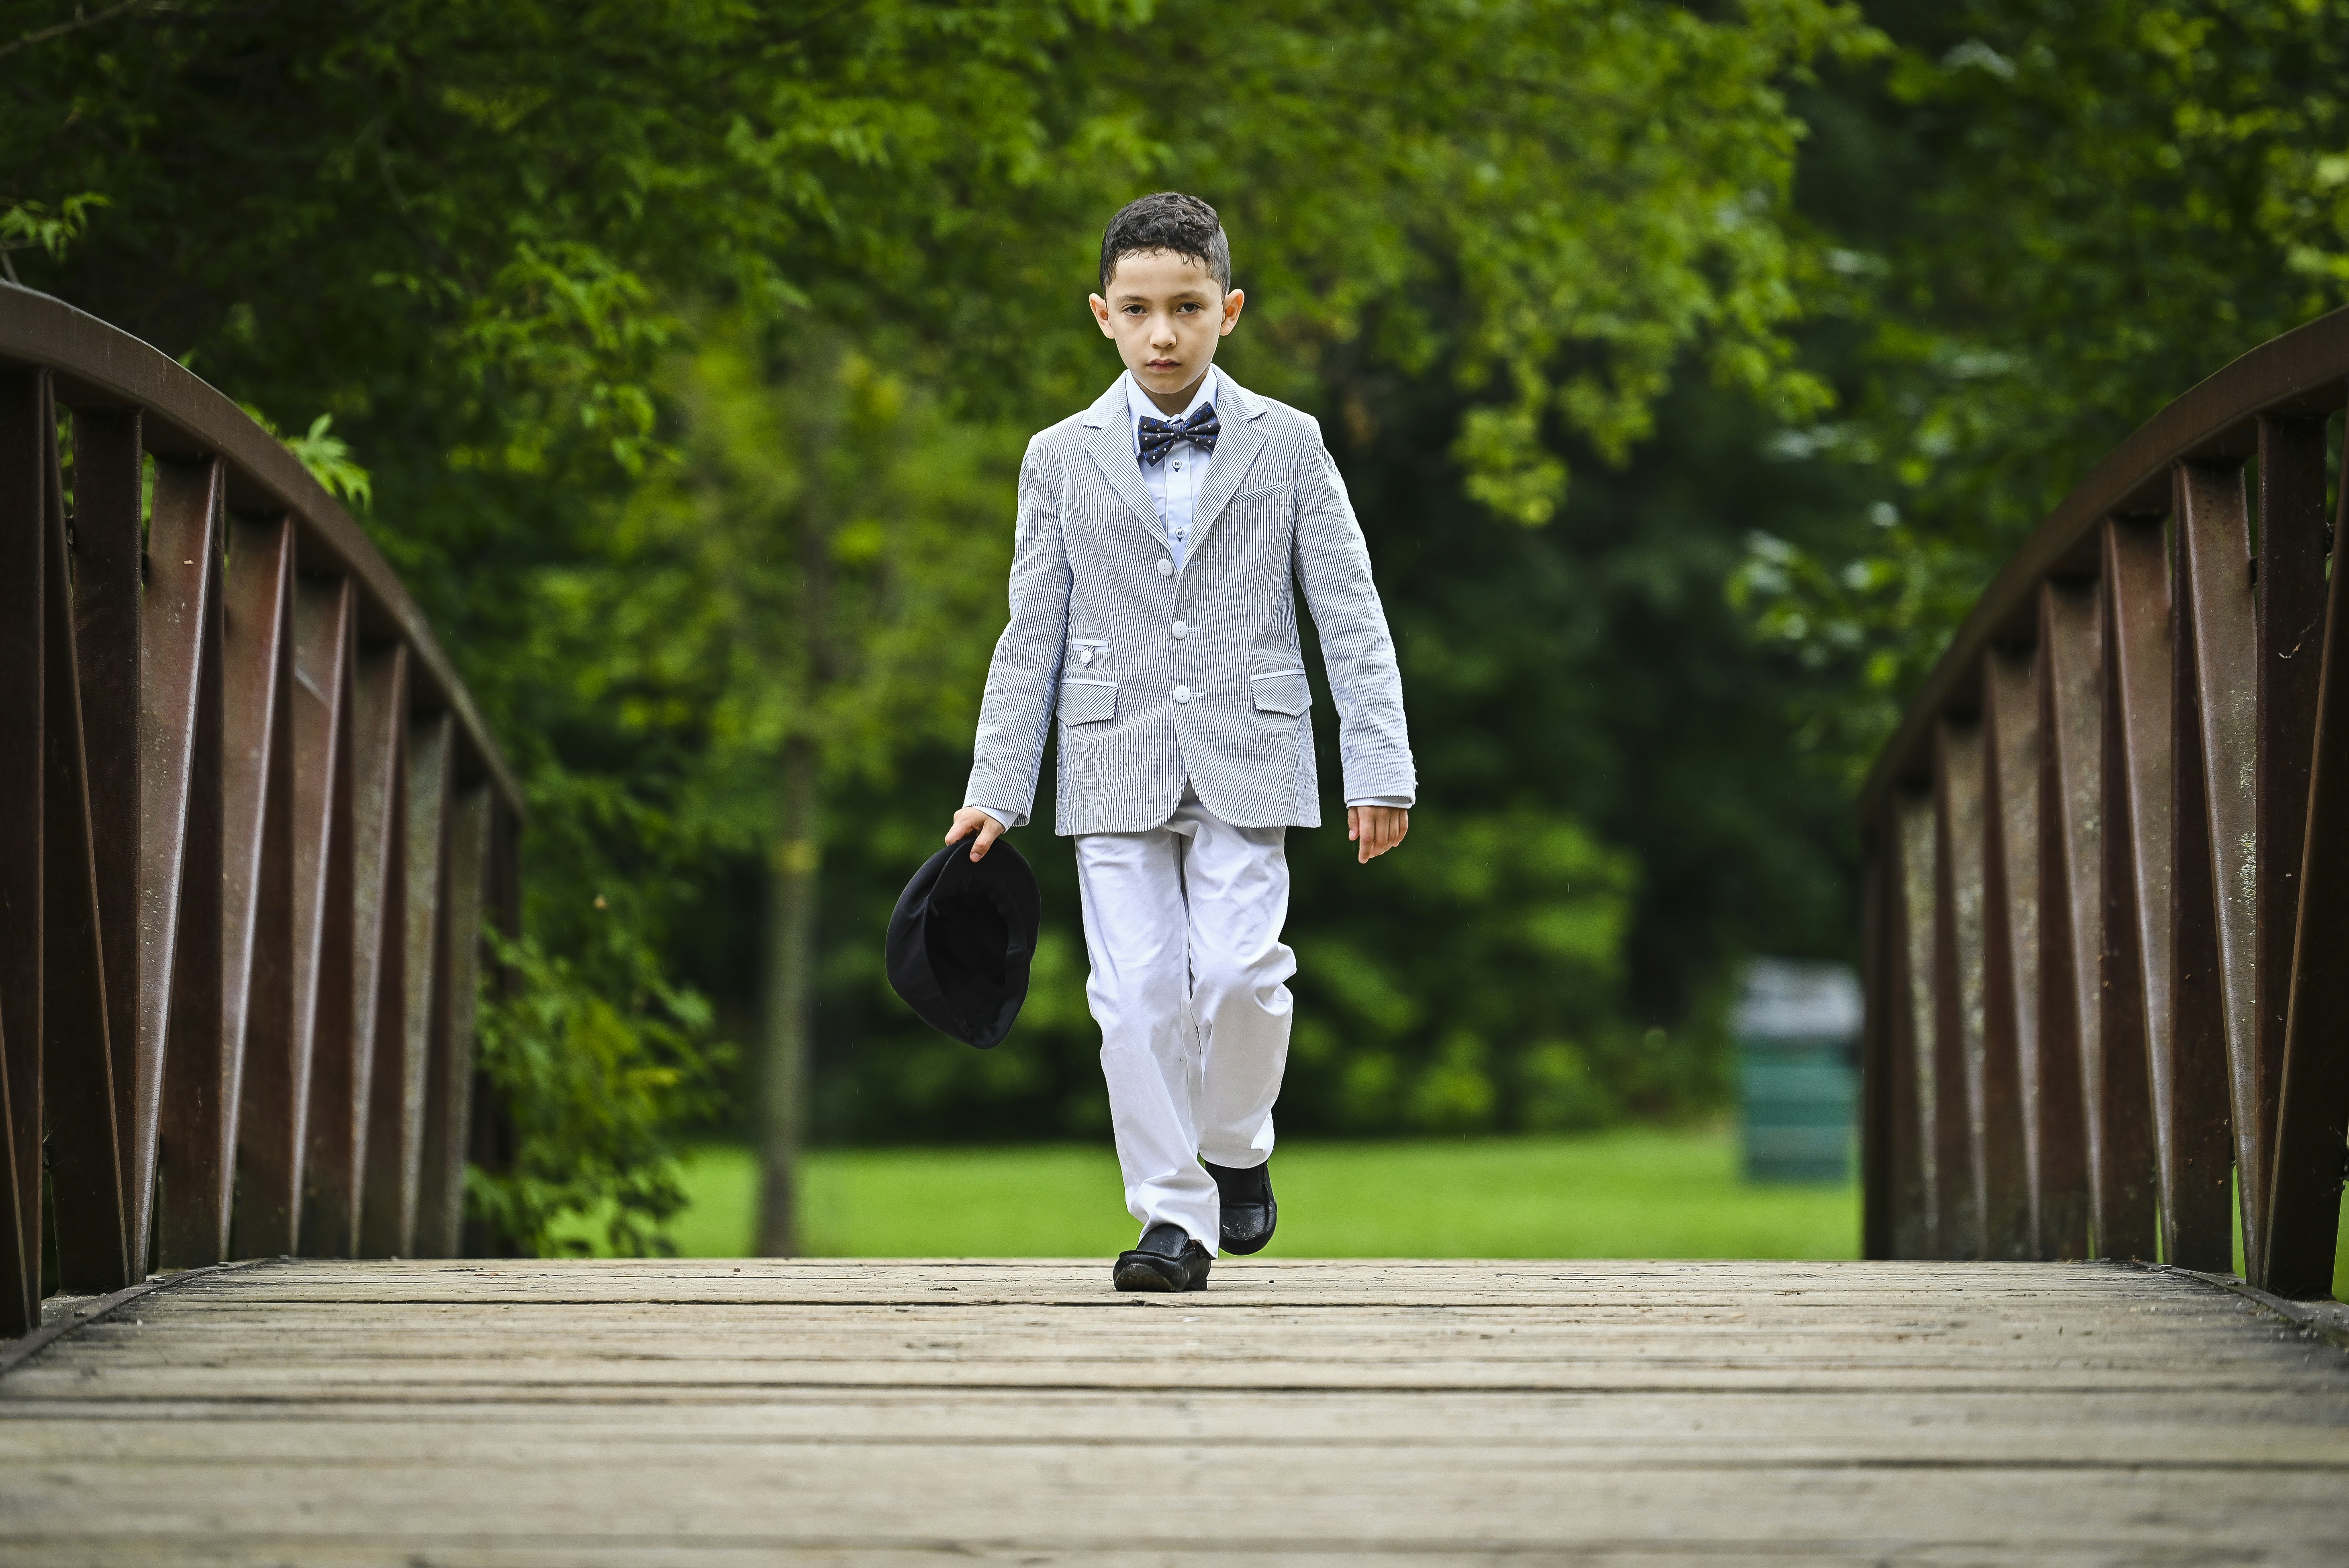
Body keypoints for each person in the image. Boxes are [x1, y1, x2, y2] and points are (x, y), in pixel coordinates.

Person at [949, 191, 1416, 1292]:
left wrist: (1379, 765)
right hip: (1110, 753)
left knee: (1244, 977)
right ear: (1102, 315)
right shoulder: (1057, 457)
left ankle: (1238, 1145)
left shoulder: (1290, 445)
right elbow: (1032, 633)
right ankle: (1170, 1217)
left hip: (1253, 748)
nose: (1164, 333)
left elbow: (1349, 613)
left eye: (1188, 308)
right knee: (1137, 991)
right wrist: (995, 789)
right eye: (1140, 309)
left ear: (1229, 310)